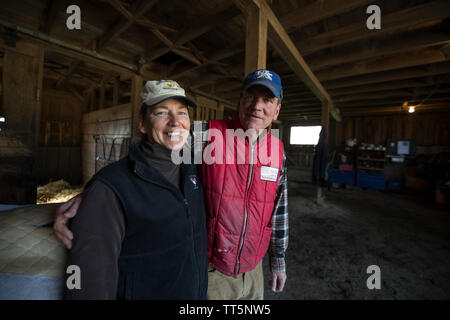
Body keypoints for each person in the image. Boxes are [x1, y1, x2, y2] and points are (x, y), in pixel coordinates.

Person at [55, 69, 288, 300]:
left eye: (267, 100)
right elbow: (152, 155)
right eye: (250, 97)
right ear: (240, 102)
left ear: (276, 110)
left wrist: (278, 261)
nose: (257, 106)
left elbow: (279, 210)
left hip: (253, 268)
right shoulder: (208, 135)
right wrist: (92, 193)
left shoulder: (277, 152)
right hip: (215, 270)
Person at [63, 80, 208, 299]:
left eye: (182, 113)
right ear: (142, 124)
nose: (175, 122)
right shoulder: (110, 186)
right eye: (161, 112)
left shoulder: (194, 170)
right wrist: (92, 193)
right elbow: (89, 276)